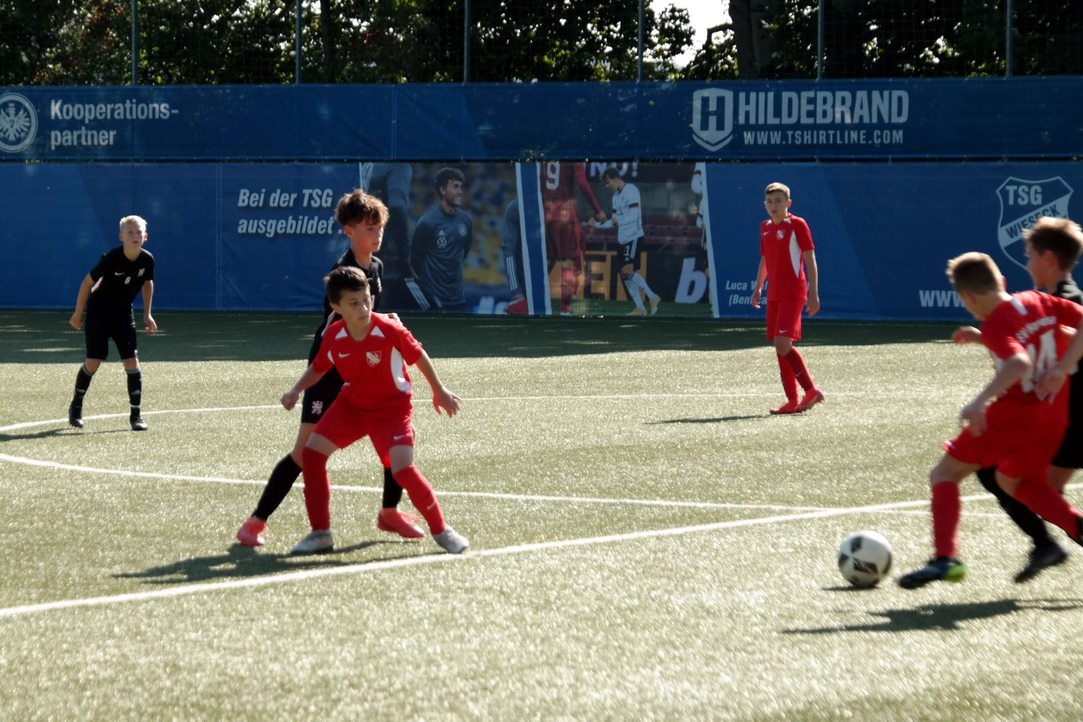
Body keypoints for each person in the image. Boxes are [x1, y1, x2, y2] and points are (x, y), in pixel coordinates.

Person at [236, 190, 420, 548]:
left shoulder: (376, 267)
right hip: (329, 370)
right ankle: (255, 522)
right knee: (305, 452)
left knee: (395, 442)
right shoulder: (342, 274)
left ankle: (389, 513)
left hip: (362, 371)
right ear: (349, 231)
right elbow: (337, 328)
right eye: (369, 228)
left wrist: (385, 323)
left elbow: (368, 323)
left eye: (379, 227)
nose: (377, 235)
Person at [898, 250, 1083, 589]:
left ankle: (945, 558)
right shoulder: (1036, 300)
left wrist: (979, 402)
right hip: (1054, 415)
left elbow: (1020, 363)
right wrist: (1061, 367)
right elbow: (1049, 333)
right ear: (1002, 281)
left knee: (945, 474)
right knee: (1013, 482)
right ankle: (1076, 528)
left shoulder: (997, 324)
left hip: (1016, 414)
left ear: (969, 297)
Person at [282, 266, 469, 555]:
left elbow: (418, 355)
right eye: (353, 303)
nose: (363, 308)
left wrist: (439, 390)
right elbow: (319, 367)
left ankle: (442, 530)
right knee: (312, 455)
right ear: (336, 307)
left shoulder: (390, 329)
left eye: (366, 299)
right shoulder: (334, 334)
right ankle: (321, 534)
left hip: (392, 411)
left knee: (403, 469)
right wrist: (296, 390)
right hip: (352, 407)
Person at [972, 216, 1083, 582]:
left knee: (1001, 474)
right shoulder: (1048, 304)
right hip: (1062, 422)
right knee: (1041, 492)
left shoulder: (1063, 302)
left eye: (1031, 254)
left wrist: (1061, 365)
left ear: (1049, 259)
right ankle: (1046, 544)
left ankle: (1045, 544)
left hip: (1067, 421)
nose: (1027, 261)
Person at [67, 215, 157, 431]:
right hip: (99, 313)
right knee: (93, 362)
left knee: (132, 362)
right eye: (130, 232)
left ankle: (136, 416)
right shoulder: (111, 258)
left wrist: (147, 314)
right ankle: (76, 405)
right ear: (121, 237)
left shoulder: (147, 260)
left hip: (123, 314)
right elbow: (87, 283)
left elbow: (148, 283)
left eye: (139, 232)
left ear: (145, 236)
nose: (135, 235)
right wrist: (78, 313)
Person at [750, 182, 824, 415]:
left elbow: (810, 259)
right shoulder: (764, 227)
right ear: (765, 204)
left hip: (793, 291)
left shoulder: (797, 224)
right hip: (774, 293)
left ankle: (811, 390)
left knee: (782, 343)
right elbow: (765, 259)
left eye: (778, 201)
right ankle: (792, 401)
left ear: (788, 203)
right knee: (780, 346)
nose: (774, 205)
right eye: (770, 201)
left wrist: (813, 292)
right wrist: (758, 287)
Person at [593, 166, 662, 316]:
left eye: (608, 182)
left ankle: (652, 297)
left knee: (626, 271)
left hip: (634, 237)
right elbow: (614, 221)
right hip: (622, 239)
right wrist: (597, 225)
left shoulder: (631, 191)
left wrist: (619, 222)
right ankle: (640, 308)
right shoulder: (615, 197)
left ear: (615, 179)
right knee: (625, 275)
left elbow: (634, 216)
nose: (607, 186)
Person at [541, 161, 607, 316]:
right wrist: (598, 210)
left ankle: (530, 296)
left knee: (549, 259)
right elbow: (582, 182)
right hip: (565, 215)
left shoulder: (547, 155)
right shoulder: (572, 152)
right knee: (570, 261)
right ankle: (566, 307)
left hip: (547, 213)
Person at [409, 167, 472, 312]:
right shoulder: (427, 222)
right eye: (455, 187)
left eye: (461, 187)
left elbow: (464, 251)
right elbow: (416, 259)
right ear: (443, 190)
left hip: (458, 298)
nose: (460, 191)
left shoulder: (466, 220)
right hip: (434, 299)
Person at [502, 199, 529, 315]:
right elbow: (508, 251)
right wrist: (516, 291)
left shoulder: (553, 208)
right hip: (524, 290)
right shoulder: (516, 208)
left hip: (549, 289)